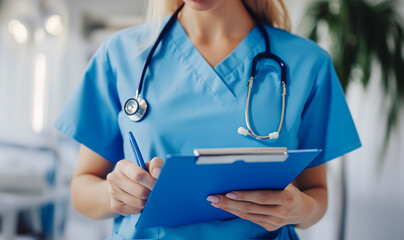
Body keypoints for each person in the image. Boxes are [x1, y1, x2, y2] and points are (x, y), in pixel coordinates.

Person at [54, 0, 361, 239]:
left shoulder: (308, 63)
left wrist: (298, 209)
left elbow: (316, 196)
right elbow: (82, 190)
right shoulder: (121, 54)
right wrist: (115, 193)